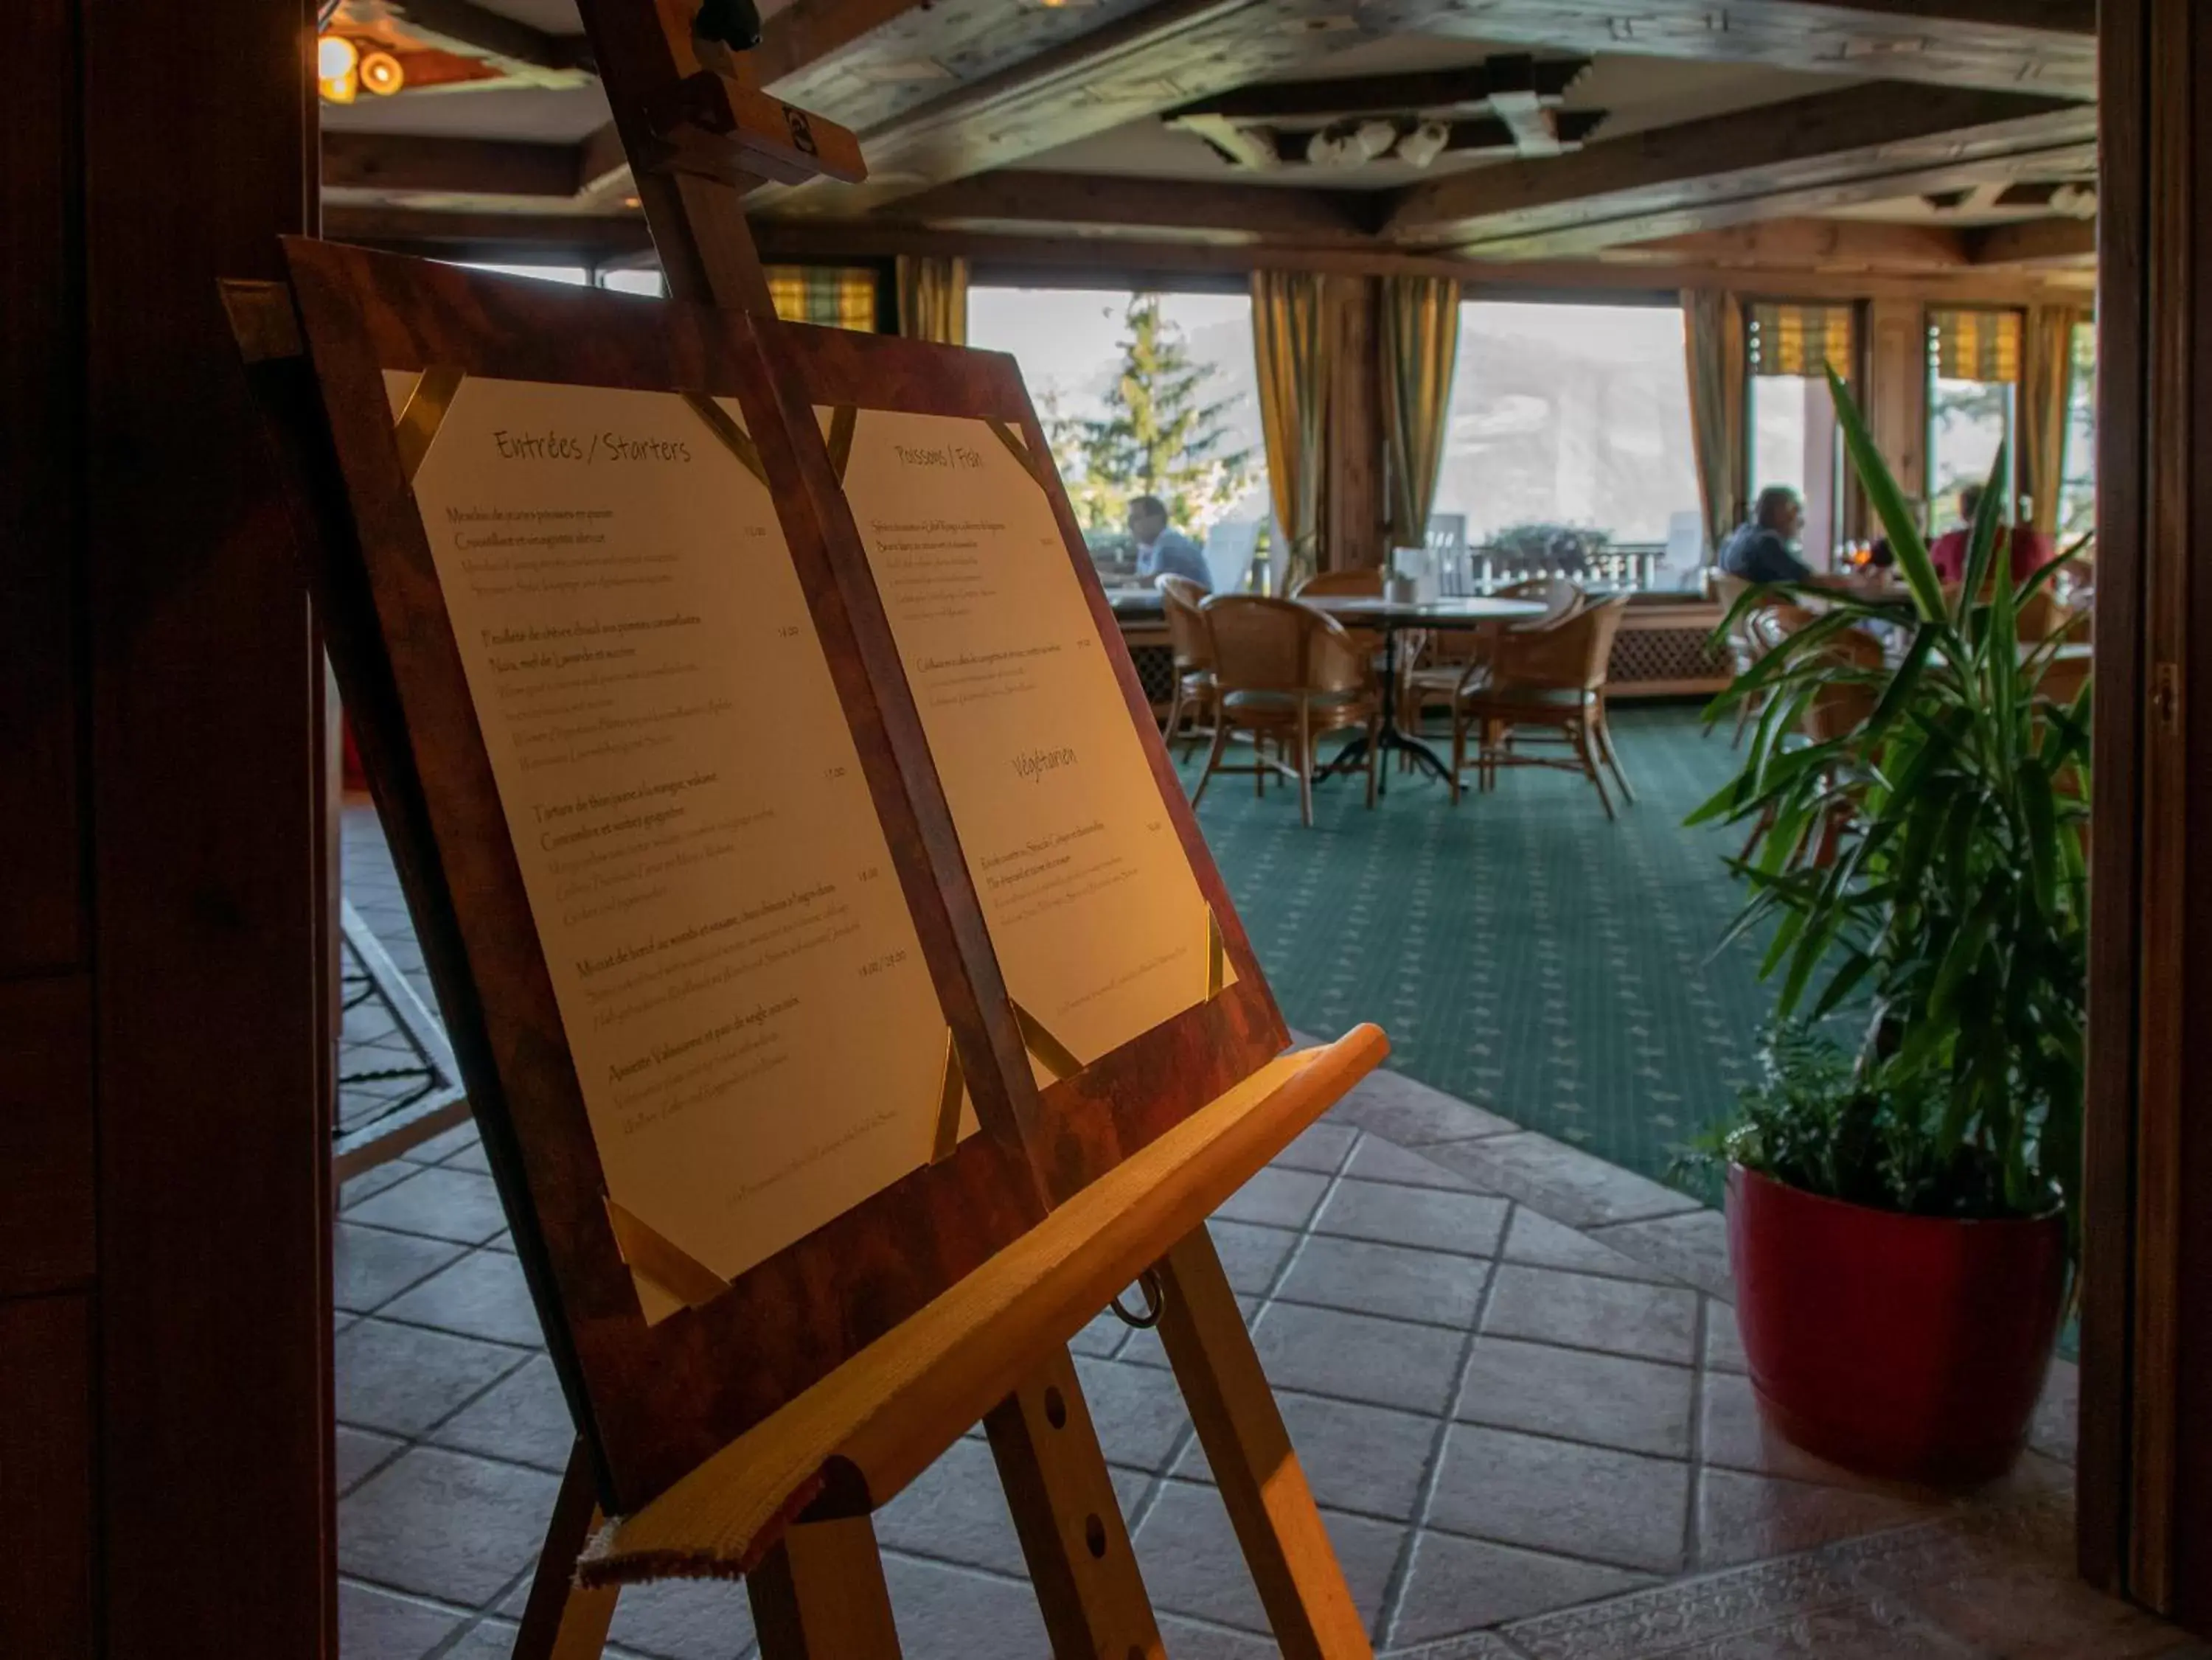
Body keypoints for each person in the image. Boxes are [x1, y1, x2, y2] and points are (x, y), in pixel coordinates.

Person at [1718, 486, 1854, 590]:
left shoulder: (1740, 535)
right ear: (1780, 514)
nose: (1801, 522)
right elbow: (1810, 580)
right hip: (1773, 618)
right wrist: (1855, 583)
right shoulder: (1766, 544)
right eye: (1796, 512)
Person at [1127, 495, 1211, 591]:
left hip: (1190, 605)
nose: (1130, 525)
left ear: (1156, 519)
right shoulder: (1149, 546)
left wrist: (1113, 580)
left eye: (1136, 518)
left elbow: (1151, 583)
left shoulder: (1171, 544)